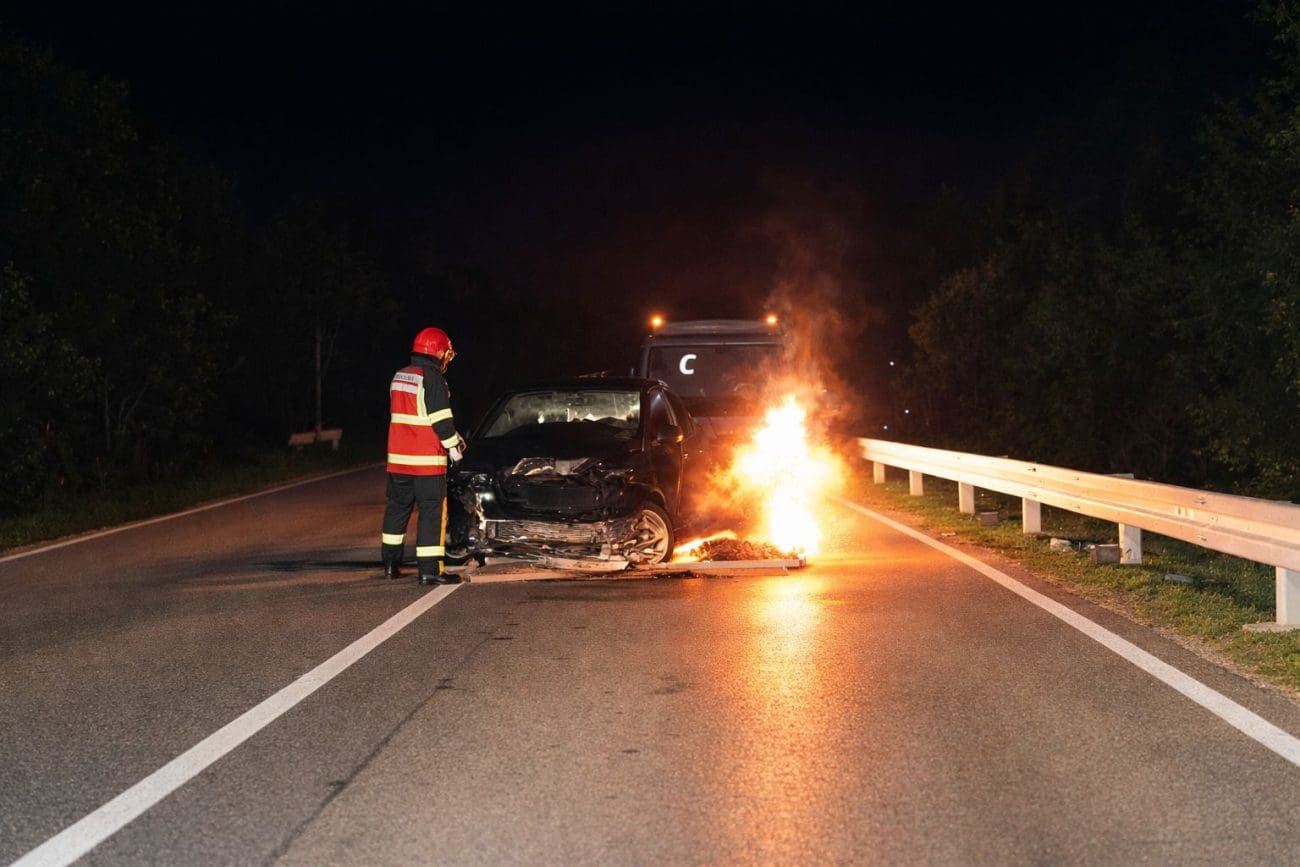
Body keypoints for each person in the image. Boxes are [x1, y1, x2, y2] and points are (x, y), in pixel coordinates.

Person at [381, 326, 465, 586]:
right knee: (431, 514)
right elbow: (441, 421)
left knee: (397, 509)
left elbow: (414, 416)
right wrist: (455, 448)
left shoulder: (400, 375)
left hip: (398, 461)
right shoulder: (433, 378)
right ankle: (430, 570)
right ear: (438, 352)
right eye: (446, 353)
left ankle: (390, 564)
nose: (447, 358)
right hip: (427, 462)